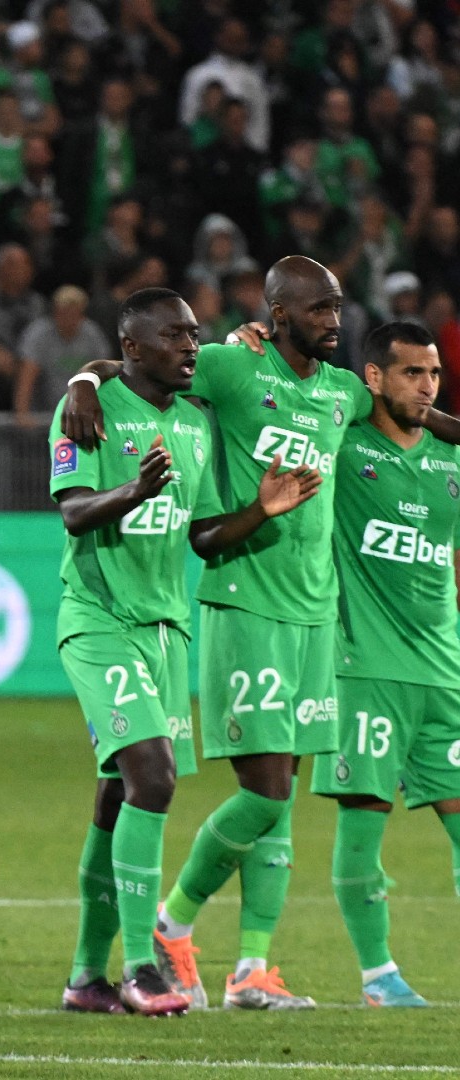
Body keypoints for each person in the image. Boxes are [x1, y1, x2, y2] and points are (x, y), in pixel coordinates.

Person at [59, 256, 460, 1009]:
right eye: (319, 309)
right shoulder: (234, 367)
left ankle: (251, 968)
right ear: (278, 315)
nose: (334, 320)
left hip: (316, 614)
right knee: (264, 793)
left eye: (337, 307)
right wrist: (84, 378)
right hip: (245, 602)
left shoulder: (343, 390)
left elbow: (409, 413)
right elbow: (143, 363)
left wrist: (446, 422)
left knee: (281, 798)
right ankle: (172, 925)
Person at [50, 288, 321, 1017]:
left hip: (165, 632)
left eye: (195, 334)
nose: (190, 347)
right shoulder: (88, 410)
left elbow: (201, 536)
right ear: (132, 348)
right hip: (99, 621)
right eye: (173, 336)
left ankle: (85, 977)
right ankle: (143, 966)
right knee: (154, 777)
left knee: (118, 797)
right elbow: (73, 511)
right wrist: (132, 489)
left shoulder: (196, 425)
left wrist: (259, 511)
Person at [308, 321, 460, 1008]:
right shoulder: (342, 446)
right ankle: (378, 976)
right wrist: (90, 375)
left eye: (434, 374)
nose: (427, 387)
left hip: (443, 672)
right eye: (411, 373)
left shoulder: (449, 458)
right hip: (366, 667)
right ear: (373, 377)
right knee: (364, 820)